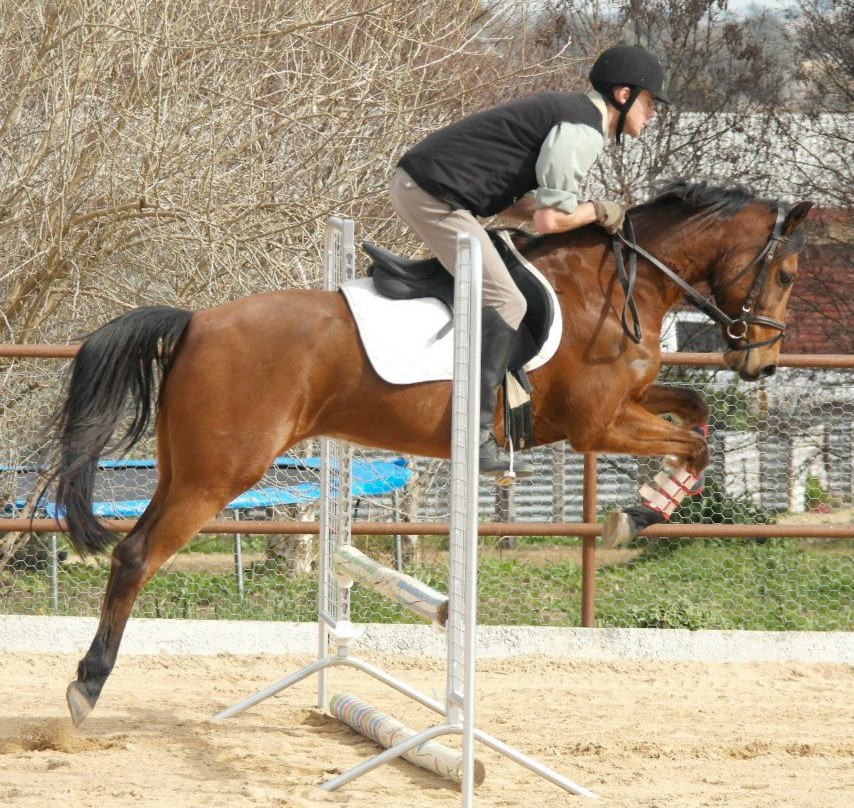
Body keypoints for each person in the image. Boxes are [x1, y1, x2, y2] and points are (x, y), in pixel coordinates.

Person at [390, 44, 670, 479]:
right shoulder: (583, 128)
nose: (652, 114)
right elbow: (550, 218)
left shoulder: (573, 115)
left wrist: (588, 211)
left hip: (432, 192)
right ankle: (473, 433)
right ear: (623, 95)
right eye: (650, 103)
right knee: (507, 302)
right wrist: (598, 211)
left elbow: (522, 208)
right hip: (433, 197)